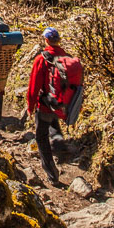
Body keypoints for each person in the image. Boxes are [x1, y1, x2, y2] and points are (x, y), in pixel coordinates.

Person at [26, 27, 65, 186]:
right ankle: (60, 144)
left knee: (41, 137)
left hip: (45, 104)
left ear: (46, 40)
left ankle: (52, 174)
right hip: (61, 104)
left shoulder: (42, 59)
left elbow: (33, 85)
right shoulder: (66, 57)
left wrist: (31, 105)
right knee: (53, 123)